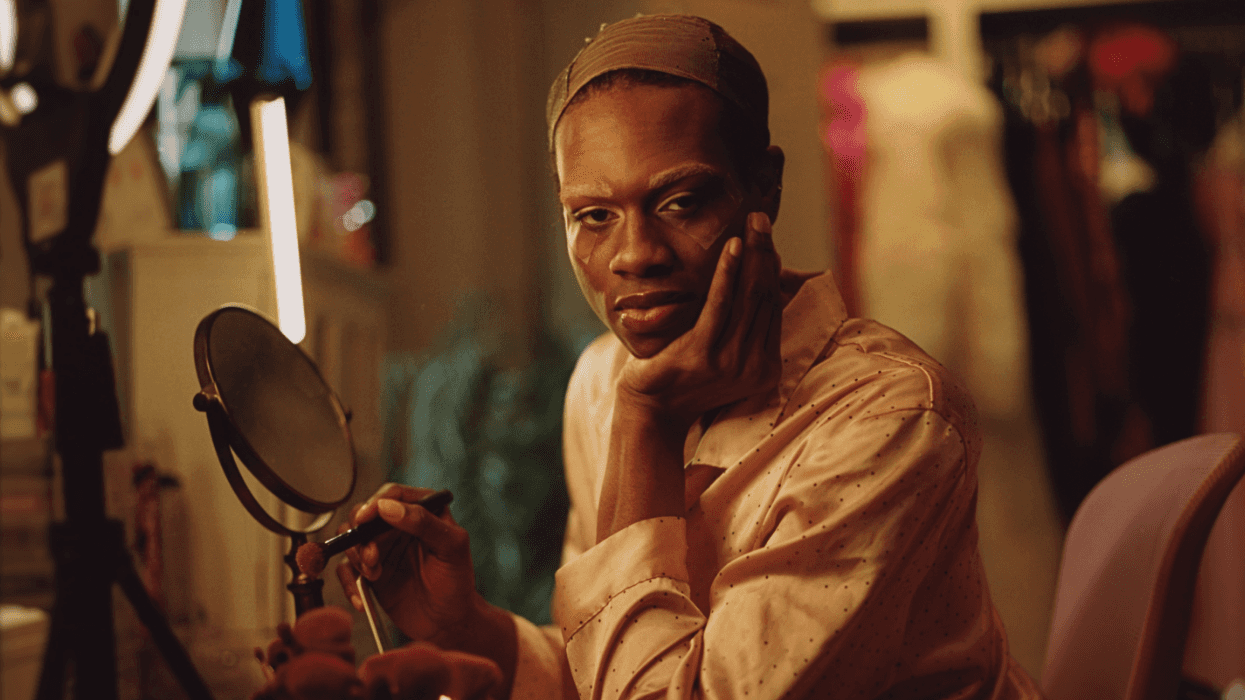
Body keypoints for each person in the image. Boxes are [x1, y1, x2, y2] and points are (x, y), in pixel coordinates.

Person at [338, 14, 1044, 700]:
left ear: (762, 184)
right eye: (593, 216)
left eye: (678, 202)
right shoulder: (600, 380)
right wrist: (471, 628)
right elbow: (613, 659)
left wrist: (647, 426)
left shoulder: (890, 417)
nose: (634, 255)